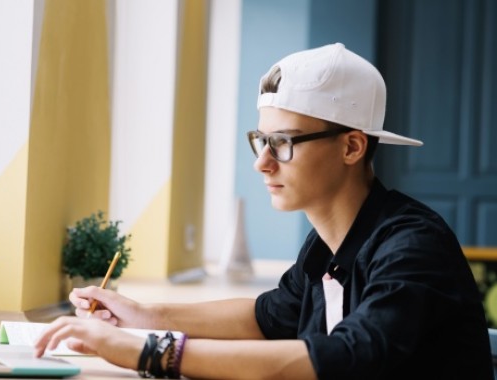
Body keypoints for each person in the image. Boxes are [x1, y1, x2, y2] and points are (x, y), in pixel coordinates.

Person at [34, 43, 493, 379]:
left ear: (352, 146)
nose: (262, 162)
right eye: (262, 140)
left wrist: (151, 352)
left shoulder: (412, 245)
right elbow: (267, 317)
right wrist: (141, 316)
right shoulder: (328, 244)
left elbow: (349, 357)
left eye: (284, 143)